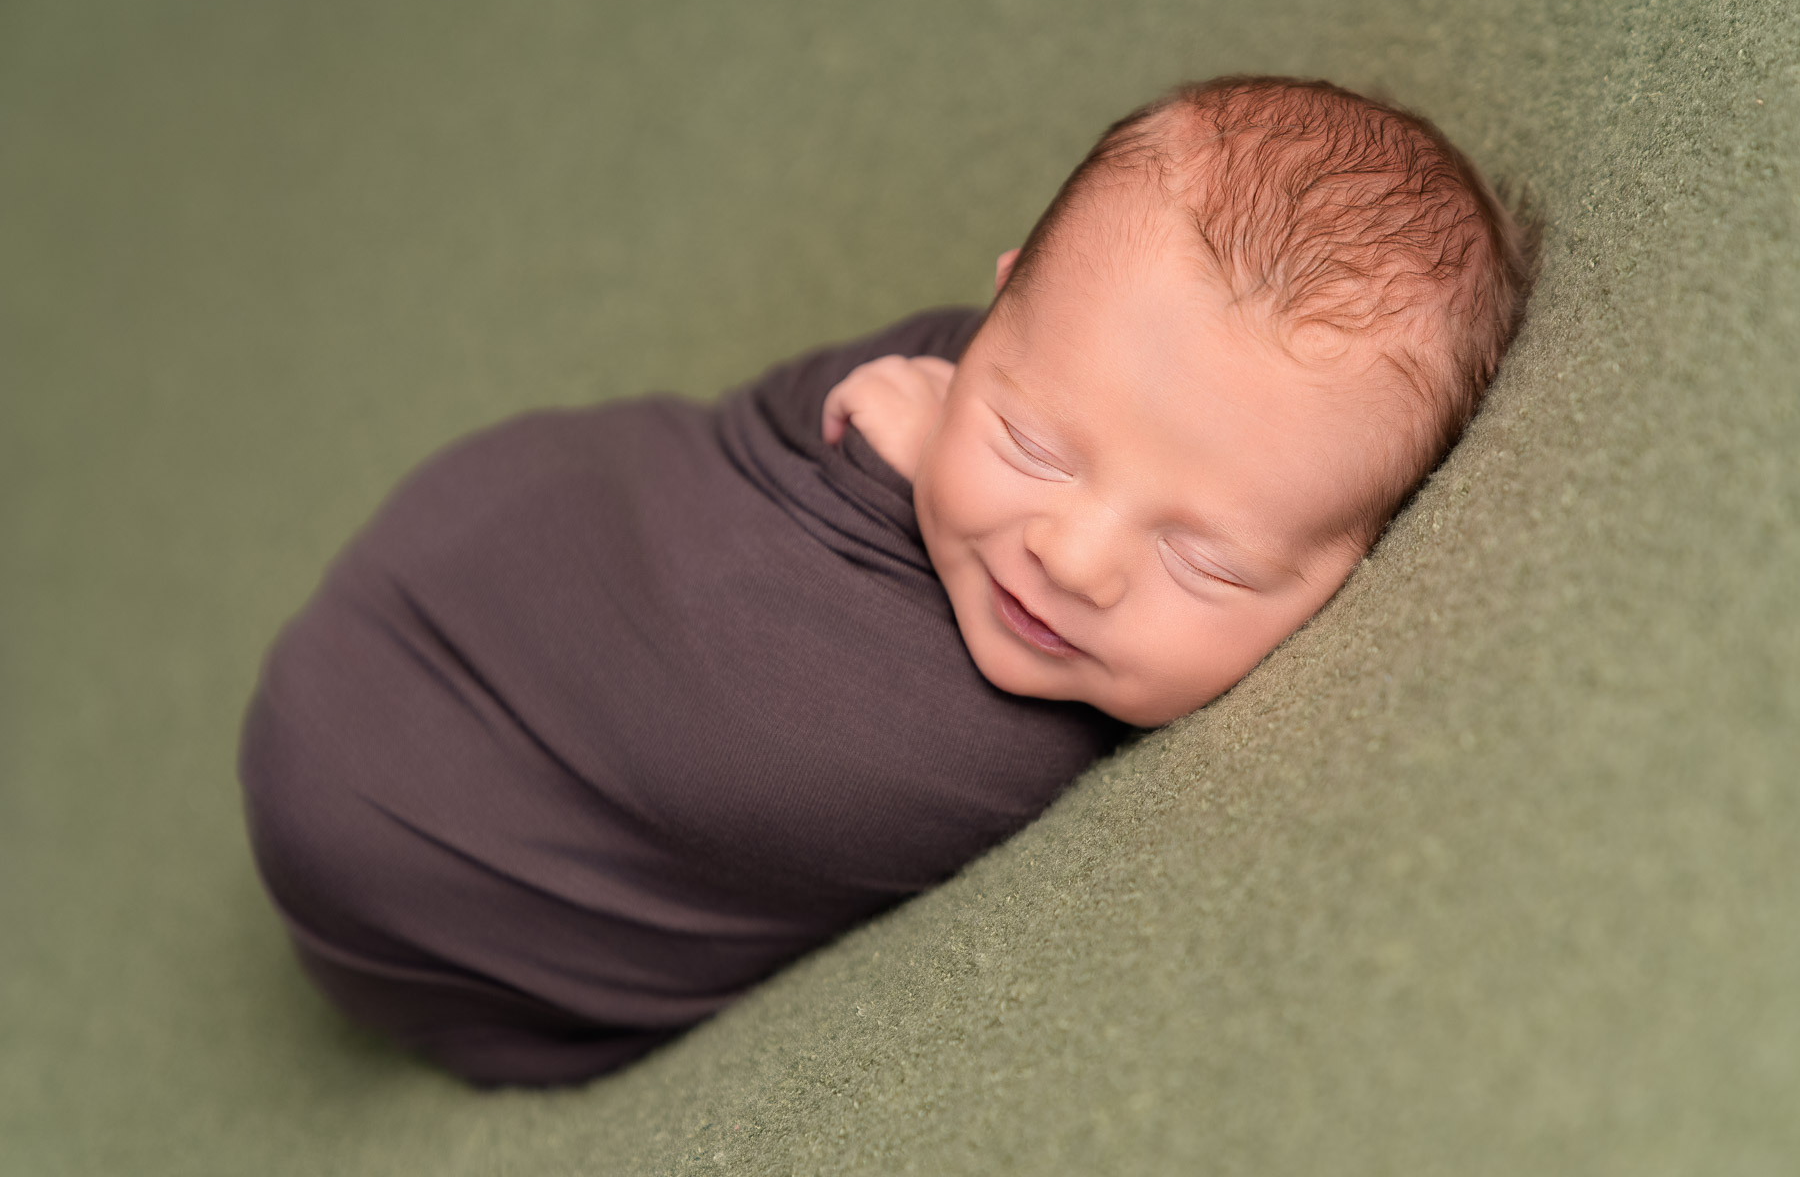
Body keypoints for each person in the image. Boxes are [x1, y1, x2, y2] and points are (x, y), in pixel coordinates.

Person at [237, 75, 1535, 1088]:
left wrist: (964, 444)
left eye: (1205, 558)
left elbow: (795, 753)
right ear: (1000, 303)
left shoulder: (961, 728)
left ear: (1356, 564)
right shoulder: (938, 378)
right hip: (459, 592)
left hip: (381, 843)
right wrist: (932, 439)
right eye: (1032, 436)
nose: (1070, 561)